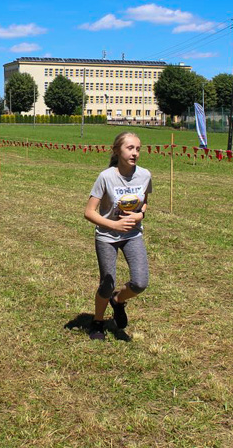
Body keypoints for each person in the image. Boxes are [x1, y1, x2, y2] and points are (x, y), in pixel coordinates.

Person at [84, 131, 152, 340]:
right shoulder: (106, 177)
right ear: (117, 150)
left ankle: (118, 301)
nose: (135, 153)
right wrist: (114, 224)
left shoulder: (145, 175)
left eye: (138, 149)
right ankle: (97, 322)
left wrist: (139, 215)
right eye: (130, 148)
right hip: (107, 236)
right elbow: (89, 212)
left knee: (140, 282)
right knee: (107, 283)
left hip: (132, 235)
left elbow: (144, 203)